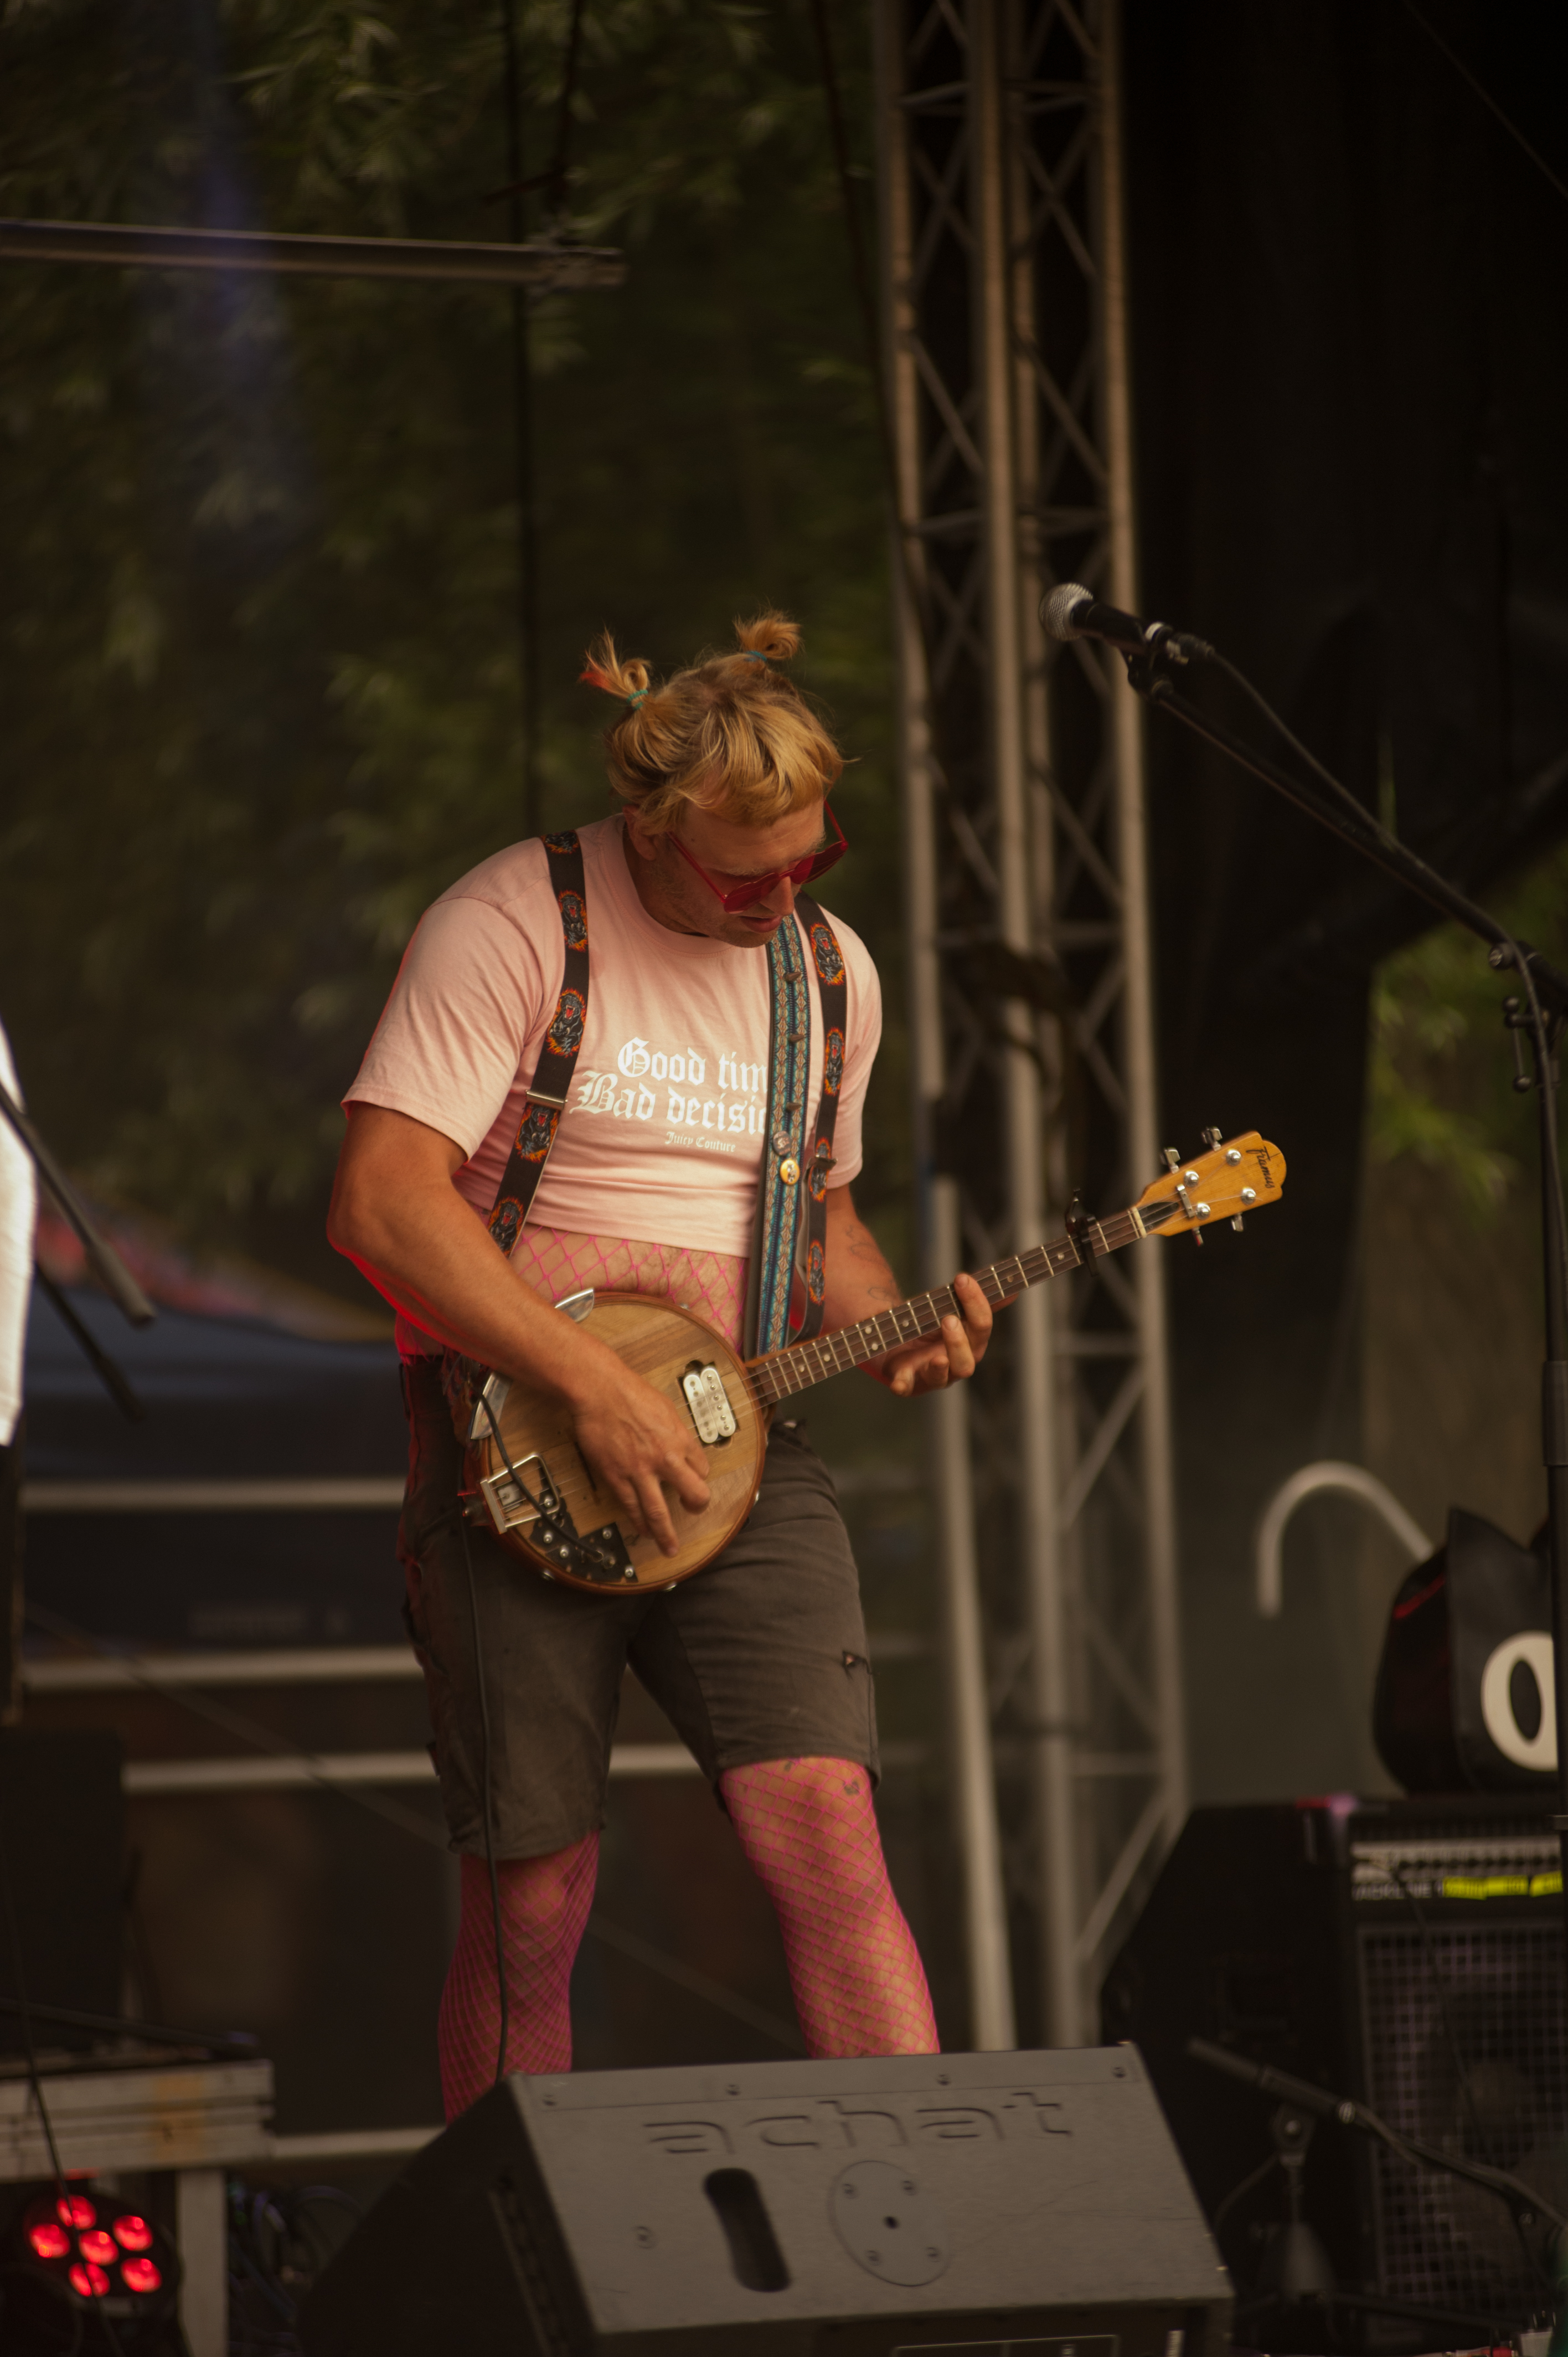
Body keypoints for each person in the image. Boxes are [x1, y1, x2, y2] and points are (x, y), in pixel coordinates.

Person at [327, 612, 994, 2117]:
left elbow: (824, 1220)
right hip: (513, 1453)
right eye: (746, 876)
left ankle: (924, 2226)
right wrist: (588, 1381)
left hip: (739, 1443)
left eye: (812, 863)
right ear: (650, 825)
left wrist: (893, 1321)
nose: (785, 899)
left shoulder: (830, 975)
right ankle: (511, 2241)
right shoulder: (510, 924)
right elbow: (380, 1204)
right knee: (535, 1897)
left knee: (828, 1831)